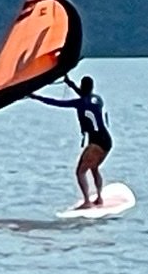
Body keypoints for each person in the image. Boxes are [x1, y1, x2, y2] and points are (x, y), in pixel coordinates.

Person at [30, 75, 111, 208]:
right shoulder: (98, 99)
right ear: (92, 87)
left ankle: (87, 202)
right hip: (107, 141)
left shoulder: (79, 103)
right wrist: (70, 83)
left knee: (80, 171)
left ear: (82, 87)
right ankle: (99, 198)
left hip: (96, 143)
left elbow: (56, 102)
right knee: (94, 168)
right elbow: (85, 96)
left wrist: (36, 97)